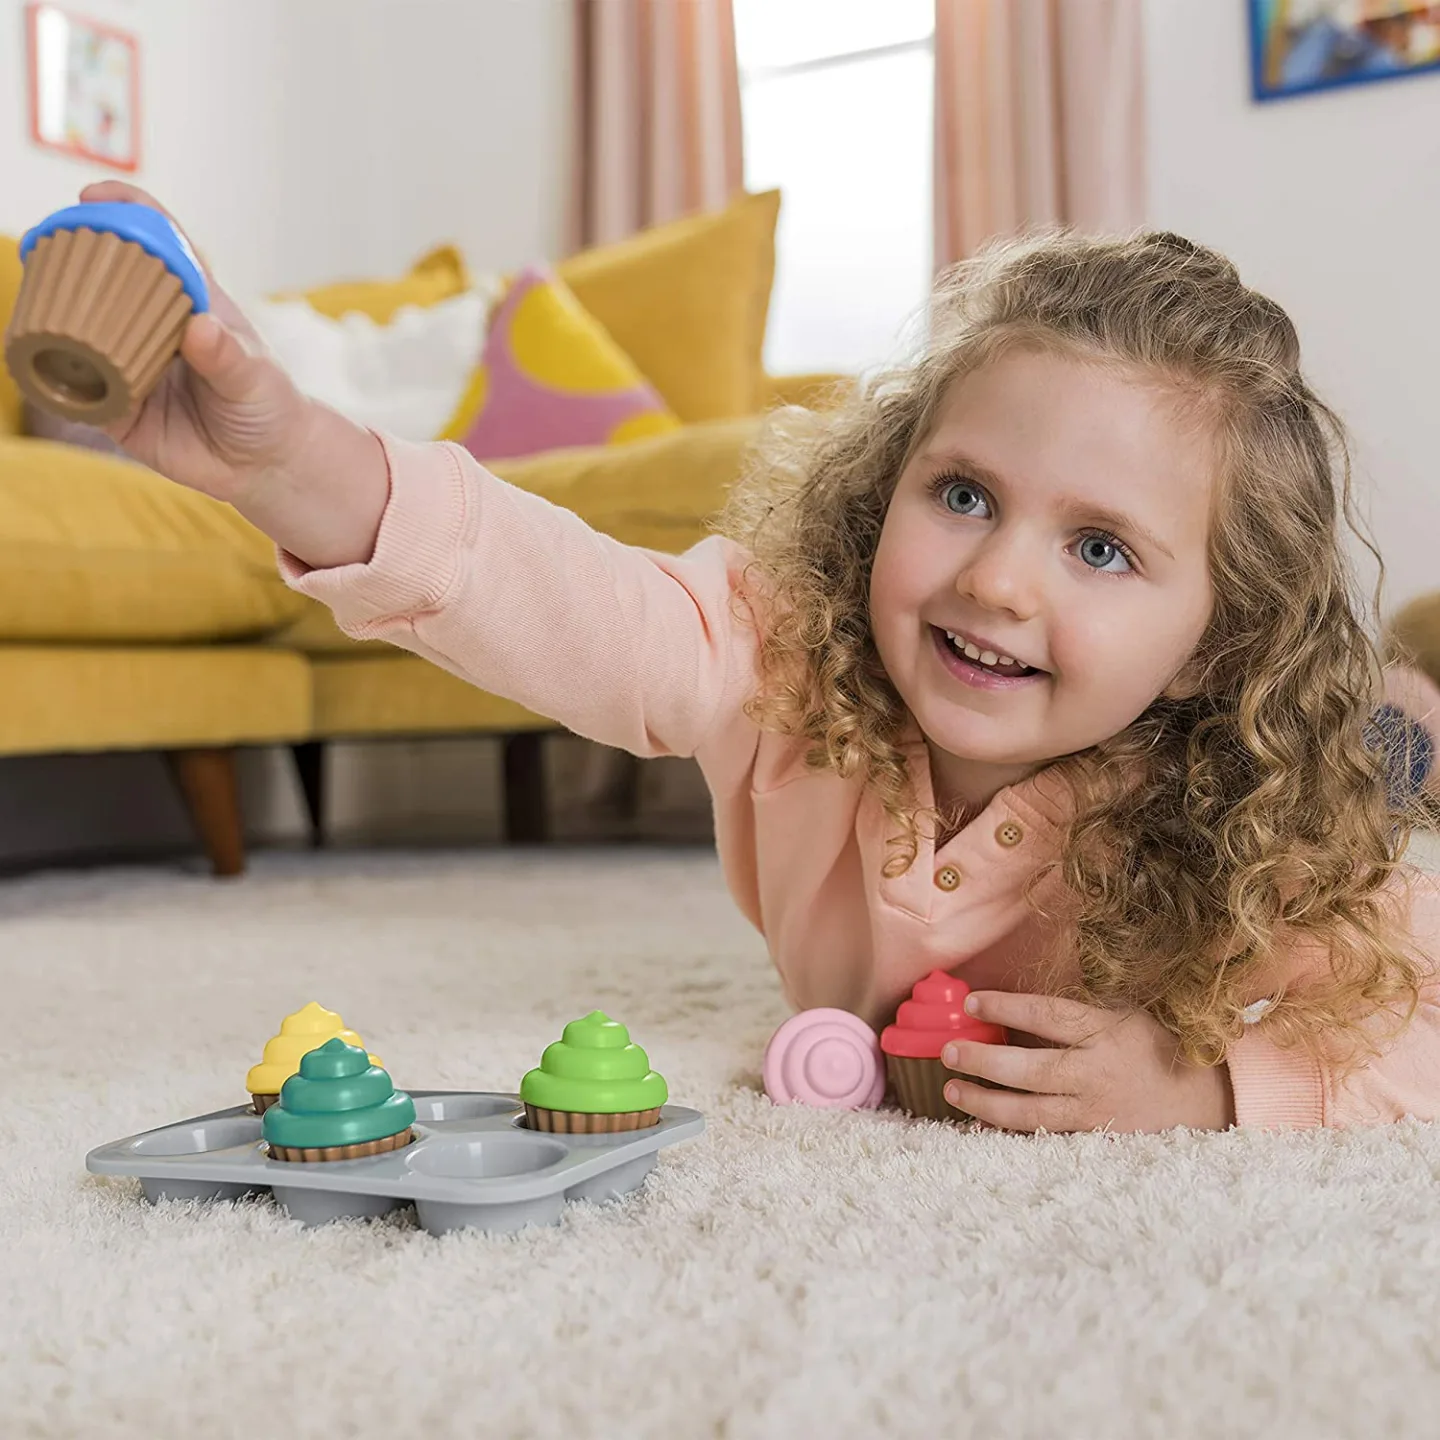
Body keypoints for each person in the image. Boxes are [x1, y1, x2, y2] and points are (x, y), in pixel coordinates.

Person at [75, 181, 1440, 1135]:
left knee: (1383, 755)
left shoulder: (1270, 817)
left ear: (1216, 644)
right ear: (885, 486)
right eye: (962, 494)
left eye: (1099, 550)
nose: (994, 579)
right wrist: (285, 462)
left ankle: (1402, 708)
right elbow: (556, 595)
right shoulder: (786, 652)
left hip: (1310, 760)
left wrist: (1211, 1087)